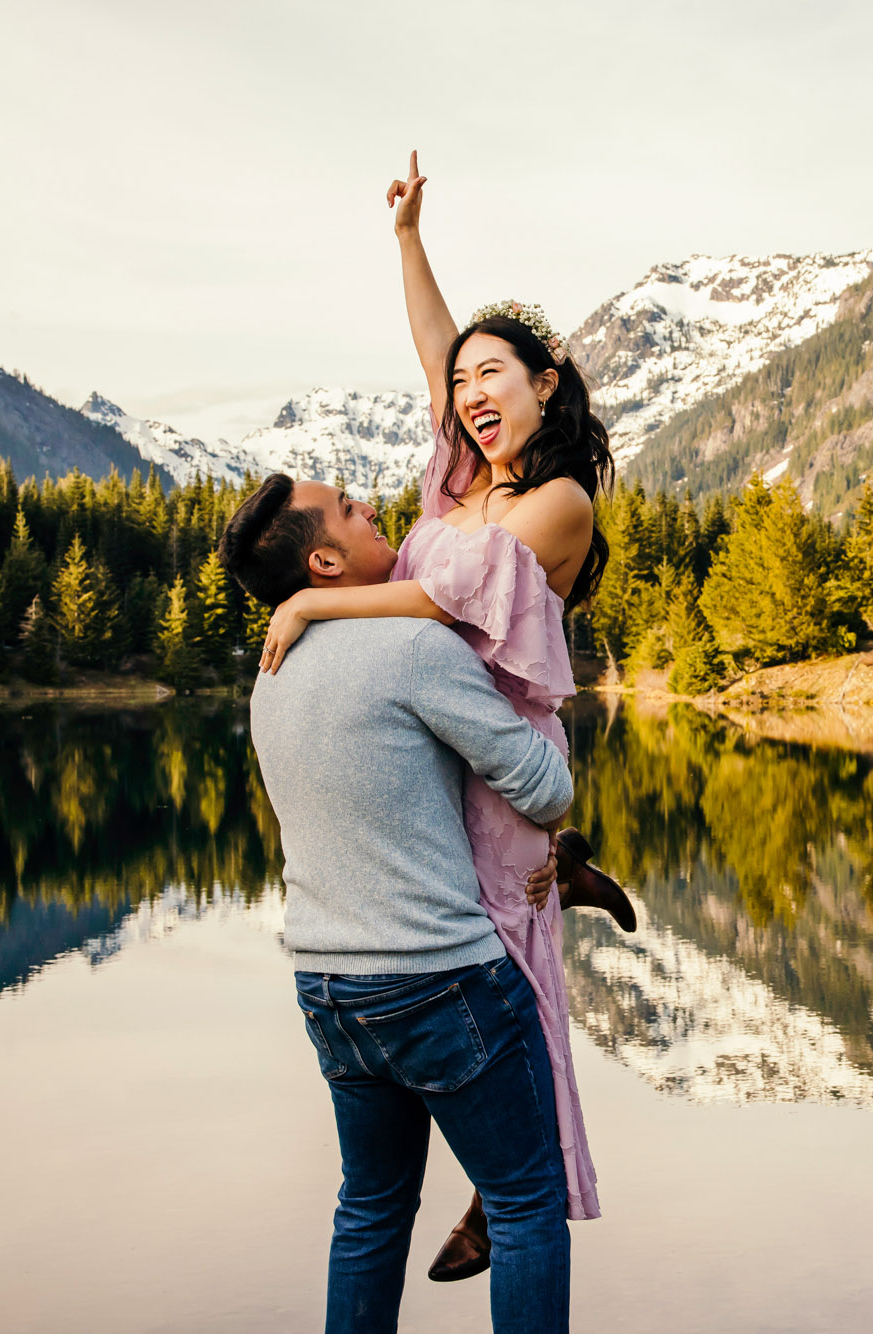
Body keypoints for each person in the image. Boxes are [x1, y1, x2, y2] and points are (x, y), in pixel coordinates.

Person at [254, 150, 627, 1281]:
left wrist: (317, 598)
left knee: (512, 973)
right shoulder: (466, 480)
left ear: (546, 386)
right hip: (442, 749)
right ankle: (501, 1184)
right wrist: (409, 239)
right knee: (490, 971)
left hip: (501, 755)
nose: (469, 393)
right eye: (463, 384)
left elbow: (442, 596)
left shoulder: (558, 501)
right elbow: (434, 350)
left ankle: (508, 1190)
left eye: (494, 376)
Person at [219, 475, 573, 1334]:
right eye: (348, 508)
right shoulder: (414, 648)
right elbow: (547, 790)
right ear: (326, 560)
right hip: (443, 981)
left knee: (371, 1210)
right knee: (525, 1206)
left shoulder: (273, 672)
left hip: (329, 987)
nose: (371, 508)